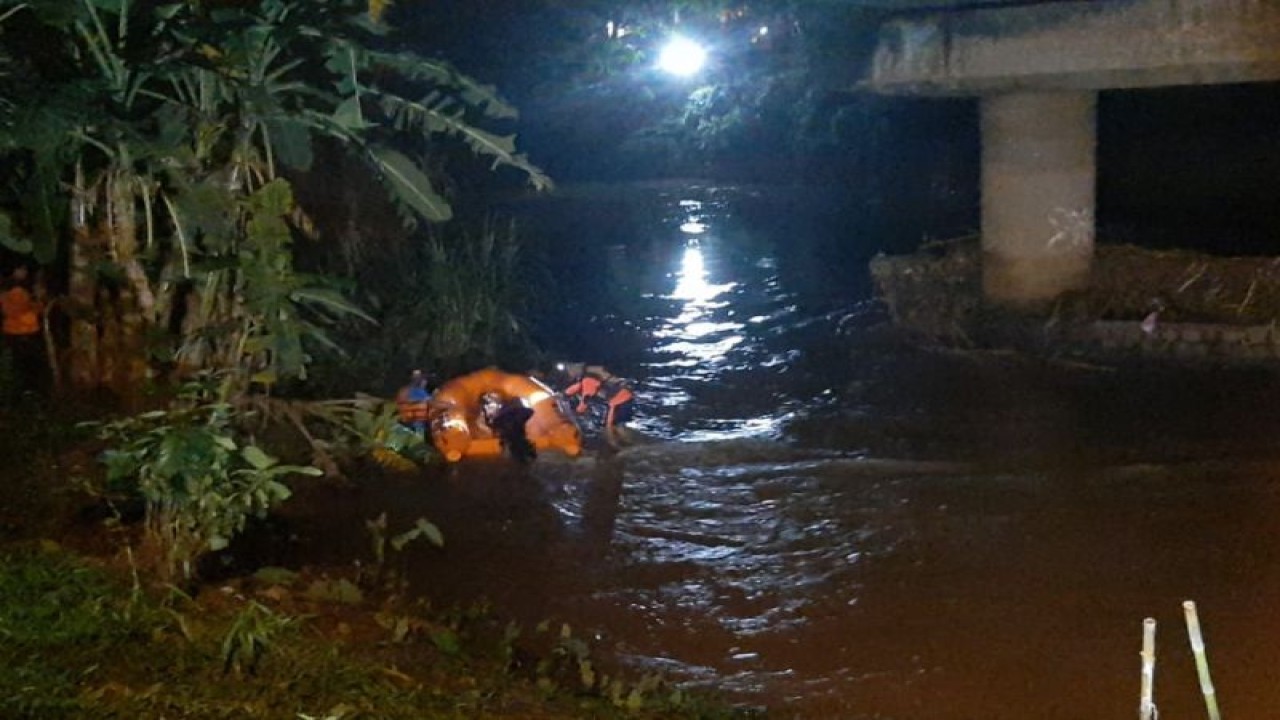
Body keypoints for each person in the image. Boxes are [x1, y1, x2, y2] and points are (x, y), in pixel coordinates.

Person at [0, 266, 45, 396]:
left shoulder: (16, 289)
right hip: (21, 332)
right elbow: (18, 309)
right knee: (23, 364)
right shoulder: (15, 291)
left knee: (23, 364)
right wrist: (38, 301)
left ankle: (25, 390)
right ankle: (23, 391)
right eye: (20, 270)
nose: (23, 273)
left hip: (23, 331)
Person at [559, 363, 636, 438]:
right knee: (614, 424)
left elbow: (587, 398)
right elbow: (578, 387)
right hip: (624, 396)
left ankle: (618, 443)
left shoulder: (588, 379)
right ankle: (619, 440)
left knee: (611, 426)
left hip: (619, 401)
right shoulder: (589, 375)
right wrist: (565, 394)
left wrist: (578, 412)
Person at [480, 391, 536, 463]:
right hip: (515, 439)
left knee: (519, 447)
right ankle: (523, 457)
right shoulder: (517, 419)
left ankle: (522, 457)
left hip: (515, 439)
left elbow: (496, 426)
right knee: (519, 448)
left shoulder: (511, 421)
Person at [395, 369, 432, 433]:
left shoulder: (406, 390)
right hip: (414, 427)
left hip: (407, 425)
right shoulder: (416, 391)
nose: (425, 381)